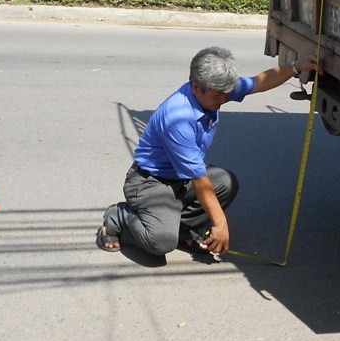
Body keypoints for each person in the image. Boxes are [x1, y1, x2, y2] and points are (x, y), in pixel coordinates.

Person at [96, 46, 319, 257]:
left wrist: (295, 67)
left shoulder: (216, 89)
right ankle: (118, 217)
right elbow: (199, 178)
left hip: (180, 178)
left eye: (226, 93)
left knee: (225, 182)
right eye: (217, 96)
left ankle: (182, 230)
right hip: (150, 182)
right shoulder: (178, 119)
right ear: (195, 87)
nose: (223, 100)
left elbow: (258, 82)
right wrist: (220, 224)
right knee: (161, 242)